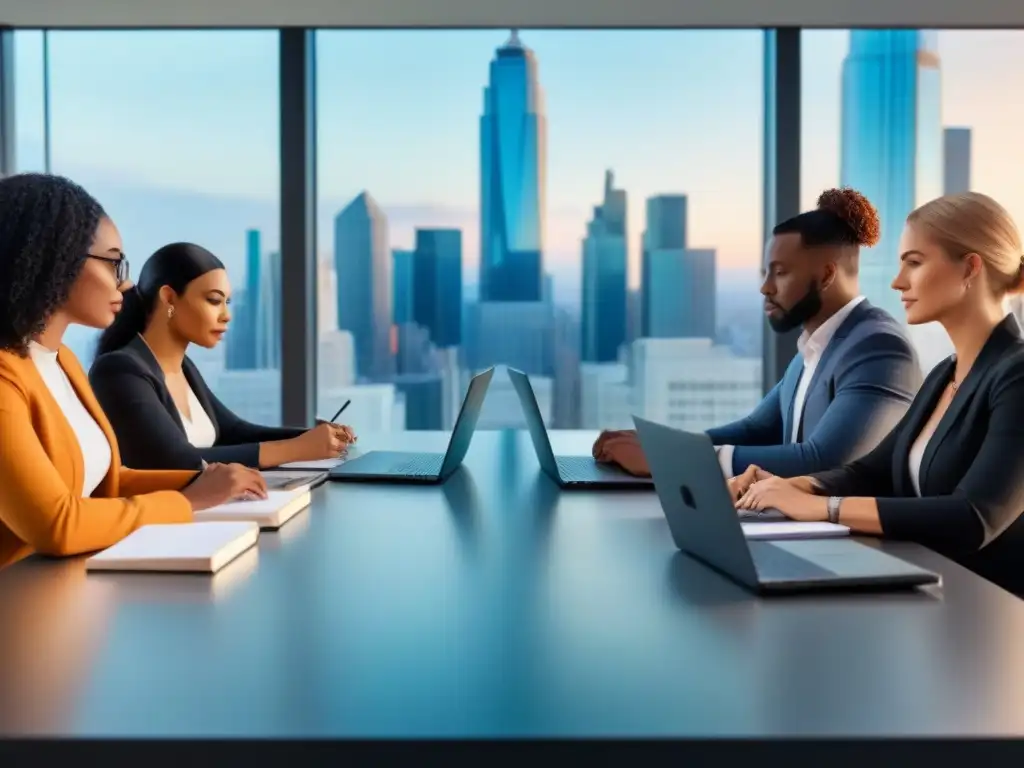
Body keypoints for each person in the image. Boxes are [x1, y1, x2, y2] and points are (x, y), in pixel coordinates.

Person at [735, 191, 1024, 596]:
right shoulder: (945, 373)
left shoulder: (1016, 375)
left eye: (914, 263)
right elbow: (870, 471)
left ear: (969, 269)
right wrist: (793, 486)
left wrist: (824, 509)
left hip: (990, 615)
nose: (897, 281)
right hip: (930, 592)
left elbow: (972, 517)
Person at [0, 173, 268, 570]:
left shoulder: (64, 363)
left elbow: (108, 483)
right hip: (20, 599)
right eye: (113, 262)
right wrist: (191, 500)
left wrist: (210, 481)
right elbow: (57, 524)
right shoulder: (6, 378)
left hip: (71, 585)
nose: (125, 283)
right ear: (53, 258)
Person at [593, 187, 922, 479]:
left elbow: (824, 460)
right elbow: (755, 430)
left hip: (853, 545)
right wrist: (657, 445)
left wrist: (672, 459)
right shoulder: (814, 349)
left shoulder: (879, 349)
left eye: (780, 273)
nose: (765, 288)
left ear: (825, 276)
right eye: (765, 273)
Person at [89, 242, 356, 471]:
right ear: (169, 298)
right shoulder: (118, 370)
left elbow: (233, 432)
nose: (226, 315)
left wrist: (313, 437)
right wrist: (297, 449)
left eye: (227, 302)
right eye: (214, 300)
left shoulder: (185, 368)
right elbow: (174, 460)